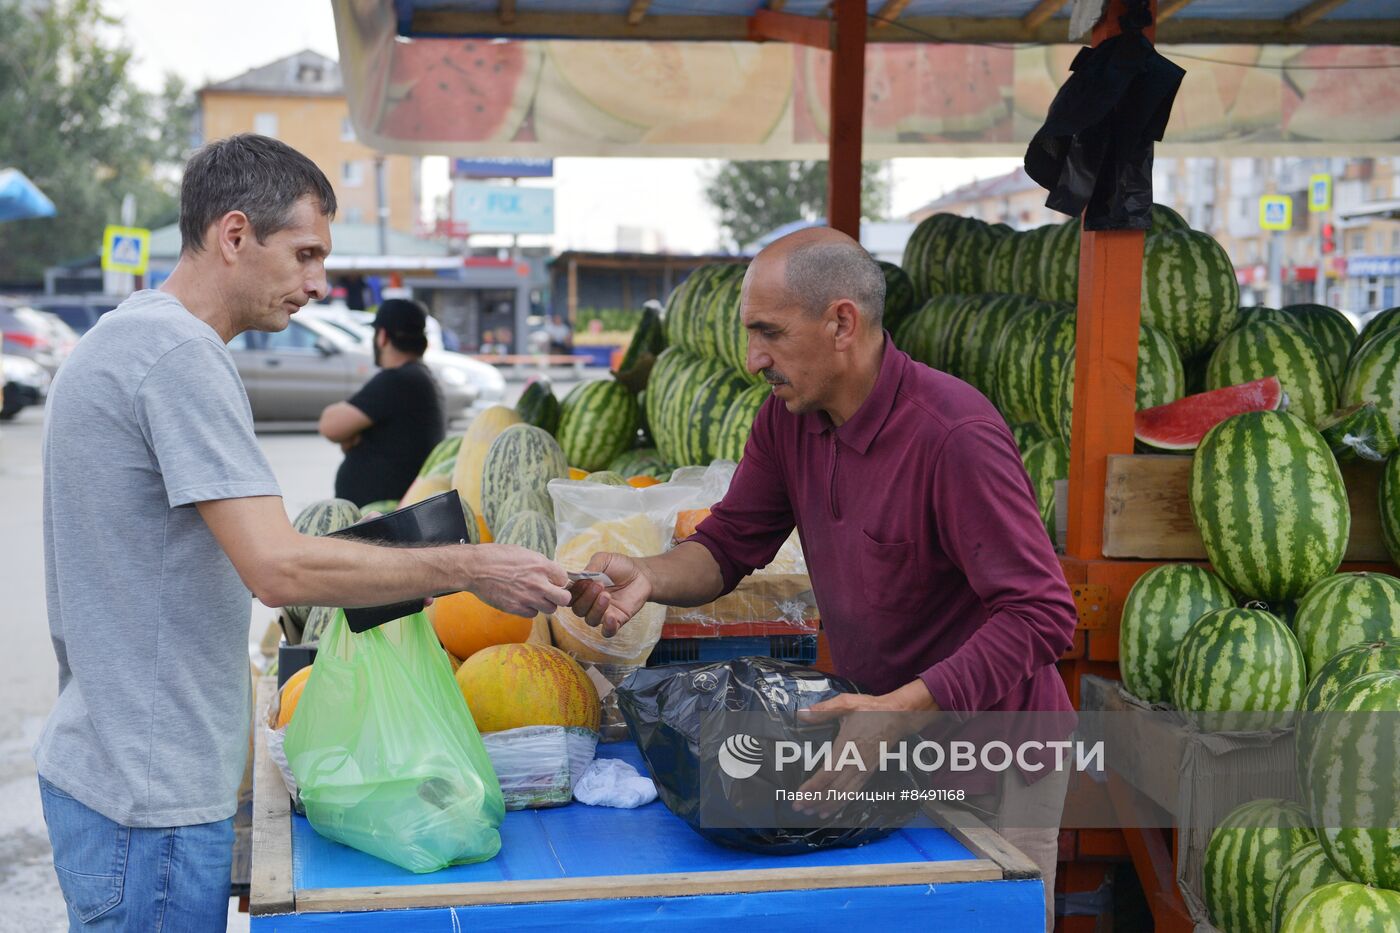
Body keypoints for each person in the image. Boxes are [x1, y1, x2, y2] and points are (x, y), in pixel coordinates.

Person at [36, 134, 571, 932]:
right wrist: (470, 565)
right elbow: (277, 567)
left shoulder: (130, 336)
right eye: (305, 254)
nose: (319, 284)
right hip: (150, 801)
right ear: (234, 234)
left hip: (116, 776)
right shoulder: (177, 355)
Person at [568, 227, 1077, 931]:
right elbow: (728, 546)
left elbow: (1043, 615)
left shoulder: (954, 435)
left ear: (842, 323)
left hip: (993, 760)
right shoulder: (787, 420)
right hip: (876, 745)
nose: (754, 359)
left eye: (769, 333)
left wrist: (905, 708)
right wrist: (649, 577)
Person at [319, 298, 445, 507]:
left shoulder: (399, 379)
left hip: (382, 516)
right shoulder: (417, 377)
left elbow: (330, 426)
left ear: (382, 336)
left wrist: (354, 435)